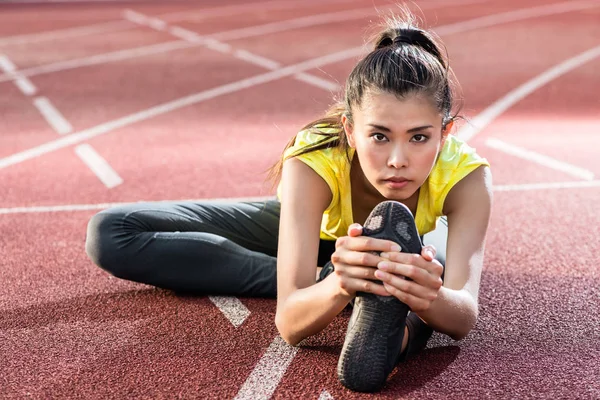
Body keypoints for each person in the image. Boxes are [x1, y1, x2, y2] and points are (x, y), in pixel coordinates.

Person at [85, 10, 492, 393]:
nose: (398, 160)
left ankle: (397, 318)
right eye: (379, 136)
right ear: (350, 131)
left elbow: (462, 316)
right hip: (316, 233)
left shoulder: (467, 178)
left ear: (446, 133)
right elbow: (291, 324)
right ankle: (360, 283)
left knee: (426, 267)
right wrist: (338, 281)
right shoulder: (315, 159)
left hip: (408, 245)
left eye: (419, 137)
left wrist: (429, 294)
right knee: (111, 232)